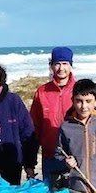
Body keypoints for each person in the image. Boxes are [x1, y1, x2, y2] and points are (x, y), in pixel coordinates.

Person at [30, 46, 76, 180]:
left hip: (74, 157)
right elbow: (34, 127)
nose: (61, 68)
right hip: (49, 156)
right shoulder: (42, 92)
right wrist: (30, 162)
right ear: (51, 66)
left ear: (71, 65)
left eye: (65, 64)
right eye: (57, 64)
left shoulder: (79, 90)